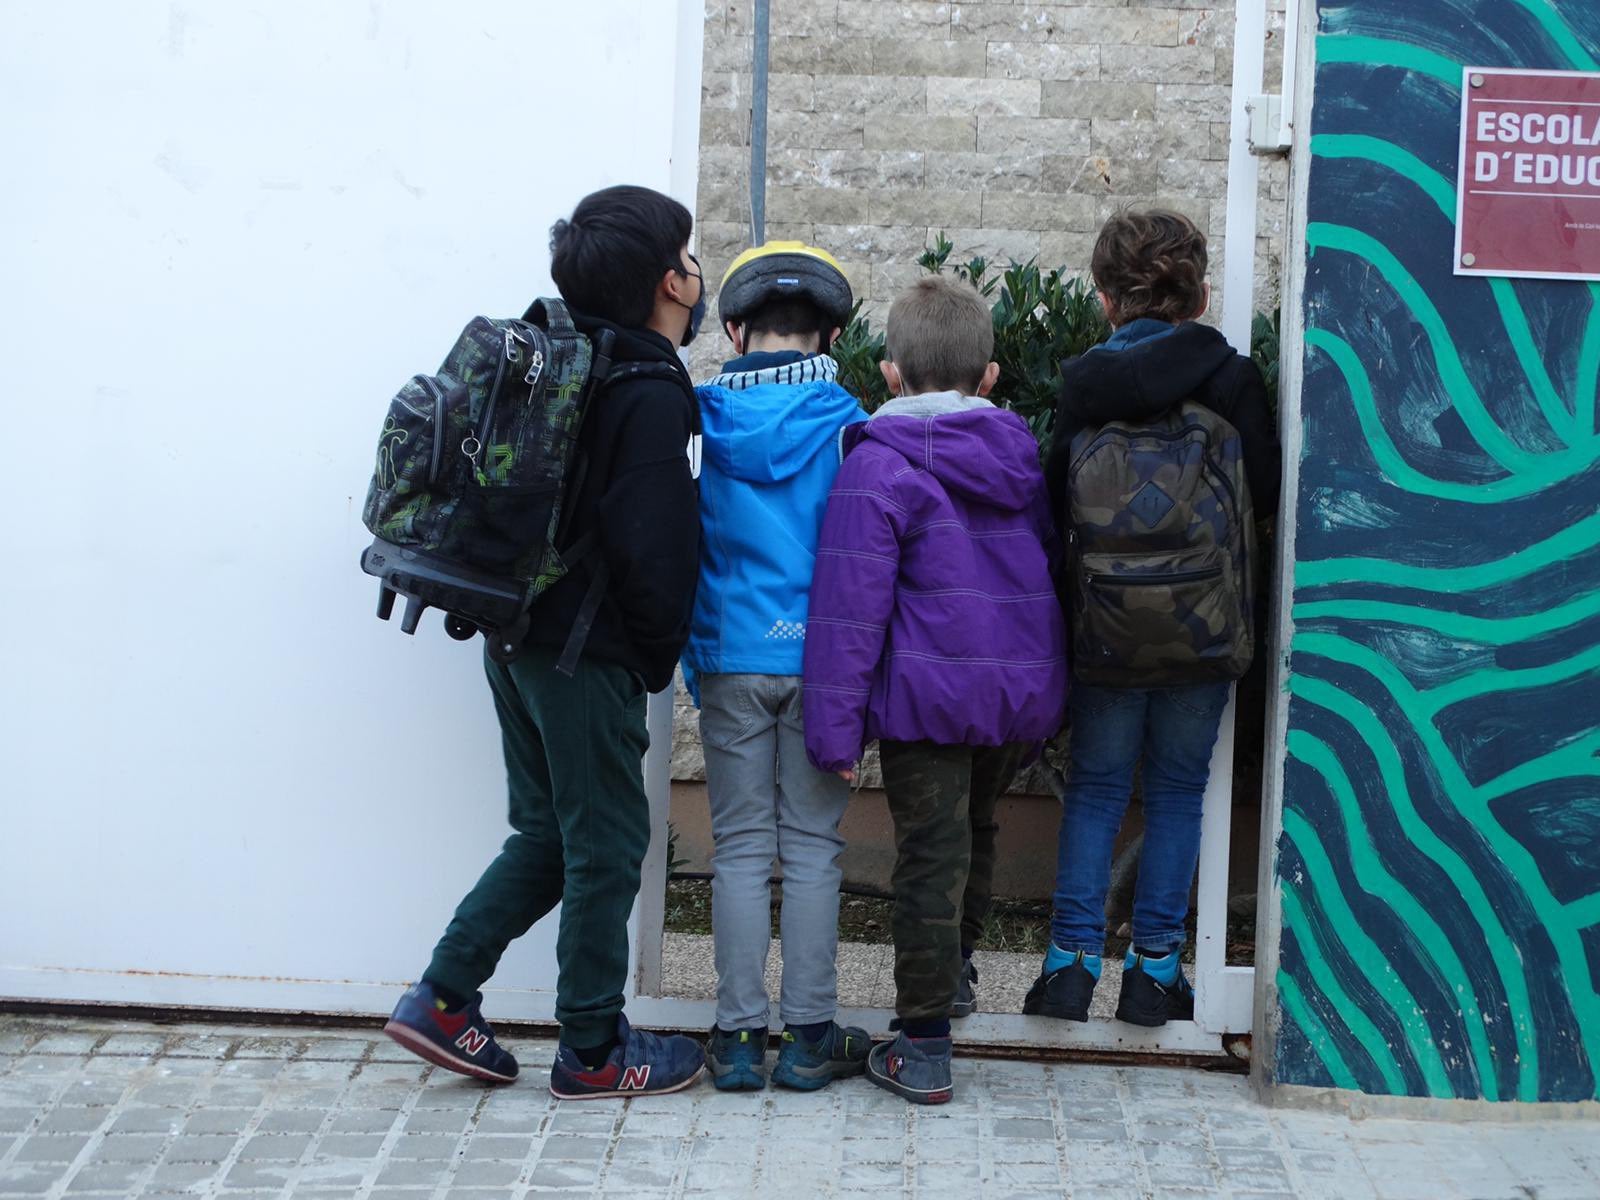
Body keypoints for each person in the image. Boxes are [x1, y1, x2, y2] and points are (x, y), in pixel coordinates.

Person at [383, 185, 709, 1099]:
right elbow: (654, 541)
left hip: (515, 636)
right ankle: (595, 1051)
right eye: (688, 257)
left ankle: (442, 998)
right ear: (670, 284)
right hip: (584, 656)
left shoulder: (572, 364)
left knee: (550, 834)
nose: (697, 271)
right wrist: (651, 655)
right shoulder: (649, 389)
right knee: (606, 843)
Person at [803, 275, 1068, 1105]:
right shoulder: (1019, 457)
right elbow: (1045, 573)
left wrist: (834, 731)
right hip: (1008, 694)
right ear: (989, 376)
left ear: (889, 372)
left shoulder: (876, 465)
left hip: (925, 700)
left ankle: (921, 1046)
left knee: (930, 853)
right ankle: (952, 975)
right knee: (977, 833)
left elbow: (849, 609)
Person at [1027, 207, 1282, 1027]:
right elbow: (1266, 492)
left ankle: (1069, 969)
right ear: (1200, 296)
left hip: (1102, 629)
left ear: (1106, 299)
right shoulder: (1231, 379)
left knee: (1097, 789)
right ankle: (1154, 972)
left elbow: (1052, 500)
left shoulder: (1083, 384)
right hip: (1204, 628)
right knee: (1177, 792)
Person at [682, 242, 872, 1091]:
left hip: (731, 656)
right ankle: (807, 1037)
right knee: (814, 847)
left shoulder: (699, 421)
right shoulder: (850, 424)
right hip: (822, 666)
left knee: (740, 847)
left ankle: (734, 1040)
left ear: (733, 331)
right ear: (830, 335)